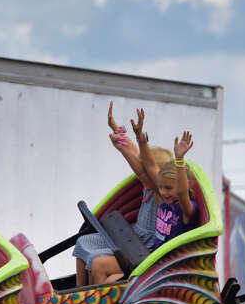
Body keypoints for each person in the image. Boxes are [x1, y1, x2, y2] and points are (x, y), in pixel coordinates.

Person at [72, 102, 174, 286]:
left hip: (144, 250)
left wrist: (140, 137)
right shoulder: (147, 183)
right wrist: (117, 131)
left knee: (97, 261)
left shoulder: (161, 194)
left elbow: (147, 166)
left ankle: (92, 302)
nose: (139, 170)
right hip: (133, 238)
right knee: (83, 242)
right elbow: (133, 154)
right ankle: (79, 289)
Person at [90, 113, 198, 283]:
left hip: (158, 266)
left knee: (99, 265)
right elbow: (144, 165)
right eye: (161, 186)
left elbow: (180, 190)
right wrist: (136, 136)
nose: (163, 191)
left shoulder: (182, 208)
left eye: (168, 187)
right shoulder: (164, 199)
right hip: (148, 257)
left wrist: (179, 159)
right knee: (96, 261)